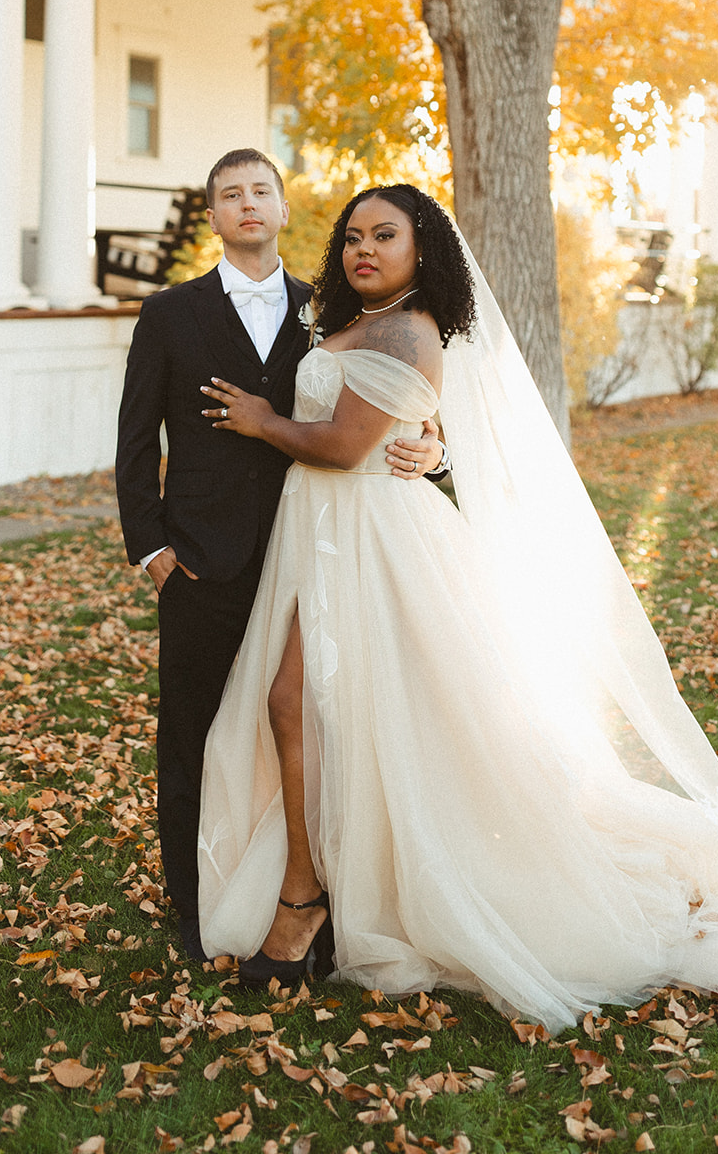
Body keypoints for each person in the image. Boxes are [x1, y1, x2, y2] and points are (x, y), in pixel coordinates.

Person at [196, 184, 718, 1028]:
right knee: (317, 708)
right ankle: (322, 881)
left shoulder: (408, 328)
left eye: (385, 235)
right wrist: (430, 438)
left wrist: (264, 422)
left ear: (422, 251)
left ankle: (312, 896)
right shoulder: (341, 324)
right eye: (352, 237)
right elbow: (390, 421)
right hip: (325, 535)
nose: (362, 249)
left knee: (305, 704)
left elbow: (339, 444)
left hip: (374, 538)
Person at [114, 151, 447, 963]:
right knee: (197, 733)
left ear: (286, 208)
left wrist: (431, 448)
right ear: (214, 215)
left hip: (320, 558)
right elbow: (133, 439)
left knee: (318, 722)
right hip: (204, 561)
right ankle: (196, 910)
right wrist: (151, 547)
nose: (246, 204)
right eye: (229, 194)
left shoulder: (329, 309)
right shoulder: (168, 313)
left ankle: (315, 891)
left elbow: (398, 399)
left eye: (260, 190)